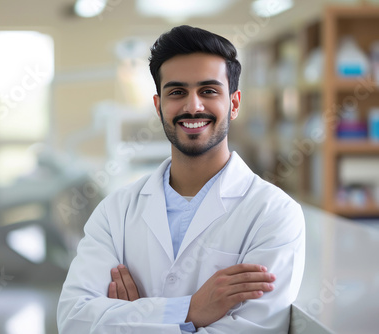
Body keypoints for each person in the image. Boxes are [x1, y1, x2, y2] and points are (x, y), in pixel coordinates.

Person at [57, 25, 305, 333]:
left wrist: (134, 315)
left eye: (209, 91)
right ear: (159, 105)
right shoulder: (115, 212)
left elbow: (253, 330)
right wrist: (190, 309)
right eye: (177, 92)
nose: (193, 106)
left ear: (235, 103)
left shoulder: (273, 214)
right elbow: (74, 320)